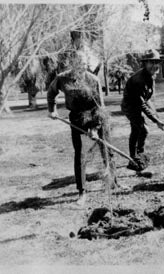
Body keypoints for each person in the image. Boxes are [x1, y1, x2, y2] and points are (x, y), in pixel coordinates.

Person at [47, 30, 117, 205]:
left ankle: (113, 182)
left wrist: (94, 129)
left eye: (85, 63)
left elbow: (100, 108)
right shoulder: (63, 79)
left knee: (106, 150)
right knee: (81, 154)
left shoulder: (93, 80)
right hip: (76, 119)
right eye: (79, 64)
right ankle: (82, 192)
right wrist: (52, 109)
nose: (83, 67)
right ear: (73, 64)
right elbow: (51, 93)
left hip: (96, 117)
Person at [121, 49, 164, 170]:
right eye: (151, 62)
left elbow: (148, 99)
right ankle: (138, 157)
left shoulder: (151, 77)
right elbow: (141, 104)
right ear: (145, 63)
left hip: (139, 104)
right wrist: (155, 120)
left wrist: (156, 116)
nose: (155, 65)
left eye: (157, 62)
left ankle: (134, 157)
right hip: (130, 106)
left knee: (136, 130)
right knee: (143, 130)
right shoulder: (139, 80)